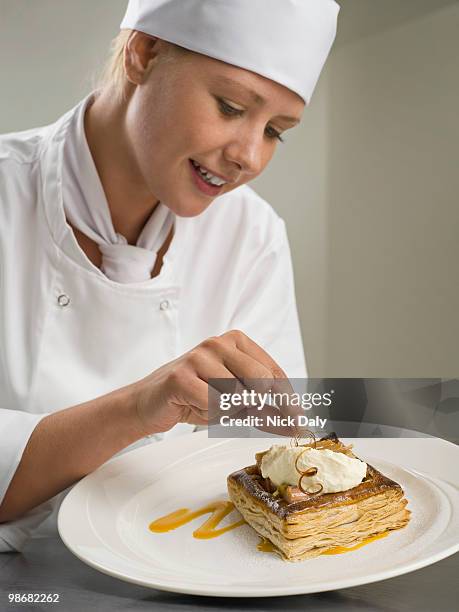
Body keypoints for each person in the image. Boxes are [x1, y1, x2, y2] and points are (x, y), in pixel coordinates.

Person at [0, 0, 339, 551]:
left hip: (180, 564)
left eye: (277, 130)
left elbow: (271, 446)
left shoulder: (251, 235)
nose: (249, 157)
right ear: (143, 53)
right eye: (231, 107)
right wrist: (138, 408)